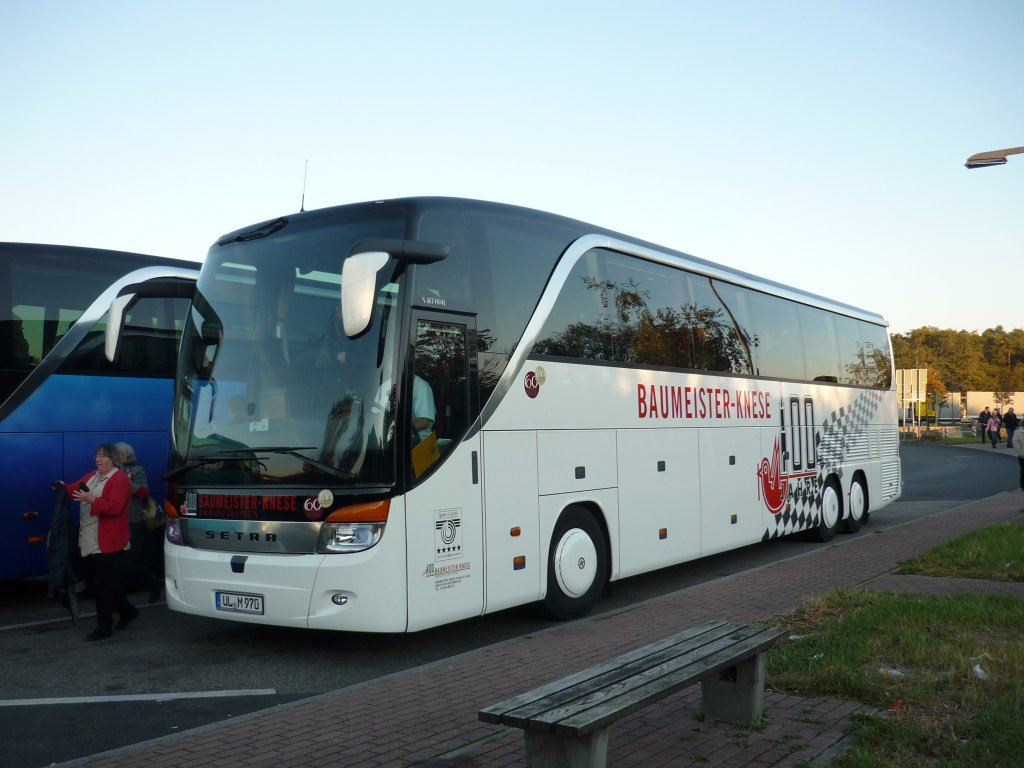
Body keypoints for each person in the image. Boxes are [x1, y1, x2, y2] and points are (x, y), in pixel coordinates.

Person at [63, 443, 138, 640]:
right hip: (90, 539)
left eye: (103, 456)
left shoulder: (120, 479)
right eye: (96, 455)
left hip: (110, 542)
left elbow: (115, 508)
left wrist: (92, 500)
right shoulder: (93, 476)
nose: (98, 459)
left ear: (113, 459)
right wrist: (61, 488)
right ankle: (127, 611)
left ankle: (104, 627)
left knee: (103, 587)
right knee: (97, 584)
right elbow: (74, 490)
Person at [116, 443, 162, 604]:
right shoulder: (112, 473)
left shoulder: (137, 471)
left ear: (124, 455)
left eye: (117, 454)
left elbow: (144, 492)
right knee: (121, 561)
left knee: (130, 561)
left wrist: (125, 481)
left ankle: (154, 584)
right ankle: (118, 600)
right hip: (118, 522)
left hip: (135, 521)